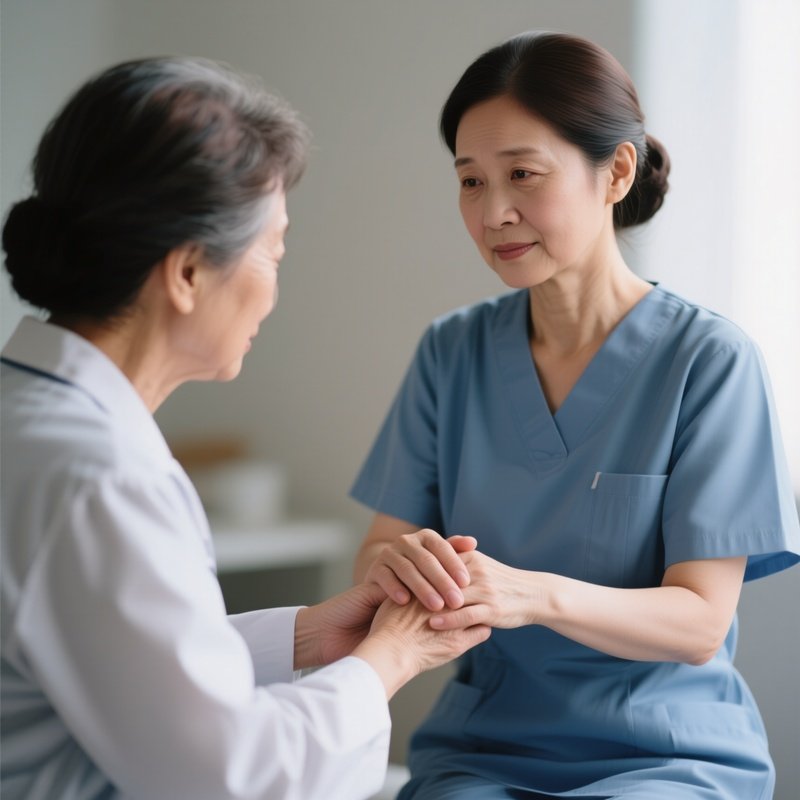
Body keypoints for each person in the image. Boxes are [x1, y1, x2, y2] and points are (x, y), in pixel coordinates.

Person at [0, 57, 491, 800]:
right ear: (189, 272)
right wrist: (392, 657)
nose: (274, 285)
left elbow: (120, 668)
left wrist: (307, 637)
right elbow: (230, 777)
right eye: (274, 249)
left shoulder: (40, 425)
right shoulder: (99, 478)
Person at [351, 31, 800, 799]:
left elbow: (698, 623)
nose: (495, 212)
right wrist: (396, 571)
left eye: (524, 174)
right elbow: (376, 561)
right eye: (469, 181)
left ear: (616, 171)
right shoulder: (450, 353)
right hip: (483, 751)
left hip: (663, 756)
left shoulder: (708, 361)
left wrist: (528, 594)